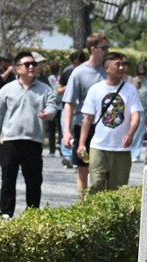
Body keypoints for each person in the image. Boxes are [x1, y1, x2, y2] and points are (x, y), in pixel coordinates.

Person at [0, 50, 58, 218]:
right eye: (27, 64)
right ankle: (6, 213)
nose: (31, 67)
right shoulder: (6, 90)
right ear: (17, 68)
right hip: (11, 141)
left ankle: (32, 213)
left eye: (34, 64)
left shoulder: (45, 89)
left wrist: (48, 113)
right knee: (8, 180)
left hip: (33, 141)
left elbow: (52, 106)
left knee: (34, 181)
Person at [77, 52, 142, 193]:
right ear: (106, 68)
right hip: (98, 147)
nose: (121, 68)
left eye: (123, 64)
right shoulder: (95, 89)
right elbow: (87, 119)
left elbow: (136, 115)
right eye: (117, 64)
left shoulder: (130, 90)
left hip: (121, 150)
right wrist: (82, 143)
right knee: (95, 186)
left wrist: (130, 133)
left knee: (117, 191)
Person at [60, 34, 109, 196]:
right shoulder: (79, 72)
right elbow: (69, 103)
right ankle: (83, 206)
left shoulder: (109, 71)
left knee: (105, 170)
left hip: (106, 126)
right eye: (104, 48)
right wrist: (66, 131)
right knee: (83, 169)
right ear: (93, 49)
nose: (107, 51)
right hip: (83, 125)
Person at [130, 62, 147, 161]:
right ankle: (129, 151)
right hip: (131, 110)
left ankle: (136, 153)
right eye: (139, 73)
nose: (141, 76)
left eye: (143, 73)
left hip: (143, 111)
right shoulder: (132, 82)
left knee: (139, 133)